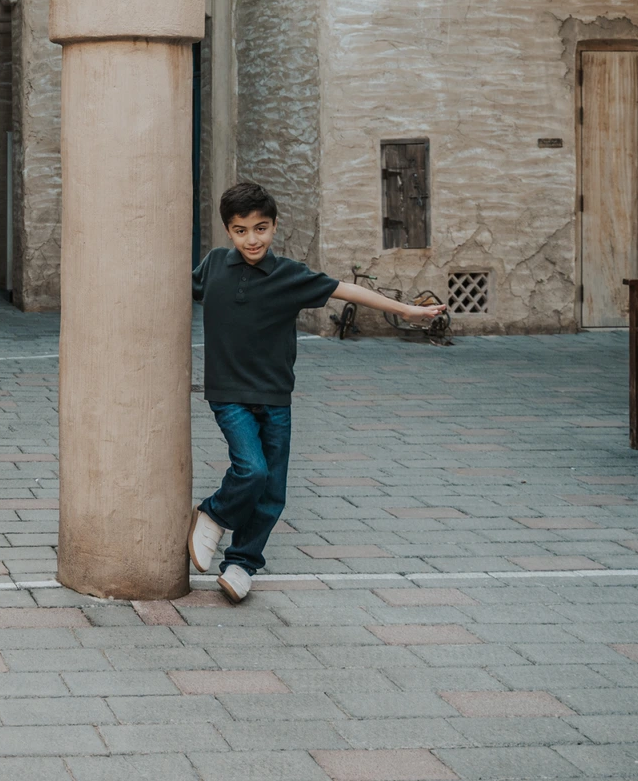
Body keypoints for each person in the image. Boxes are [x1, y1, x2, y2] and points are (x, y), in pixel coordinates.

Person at [190, 181, 446, 602]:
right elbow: (173, 287)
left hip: (275, 396)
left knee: (272, 491)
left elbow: (346, 289)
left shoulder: (289, 275)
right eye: (241, 230)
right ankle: (213, 513)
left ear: (273, 227)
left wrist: (407, 310)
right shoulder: (214, 265)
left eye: (261, 228)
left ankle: (241, 563)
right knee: (251, 470)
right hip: (228, 393)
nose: (252, 239)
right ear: (228, 231)